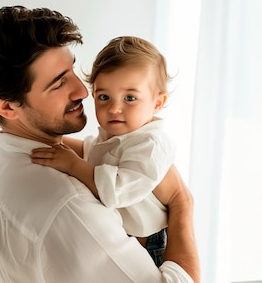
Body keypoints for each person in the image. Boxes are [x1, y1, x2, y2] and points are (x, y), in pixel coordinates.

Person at [0, 5, 200, 283]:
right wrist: (183, 203)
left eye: (71, 68)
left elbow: (91, 150)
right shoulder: (70, 205)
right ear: (7, 107)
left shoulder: (11, 168)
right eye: (59, 83)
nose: (83, 91)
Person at [30, 36, 174, 267]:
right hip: (122, 236)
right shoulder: (119, 134)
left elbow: (117, 188)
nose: (114, 108)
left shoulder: (150, 144)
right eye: (104, 97)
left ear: (157, 103)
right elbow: (92, 151)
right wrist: (52, 139)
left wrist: (73, 165)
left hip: (148, 243)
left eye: (130, 98)